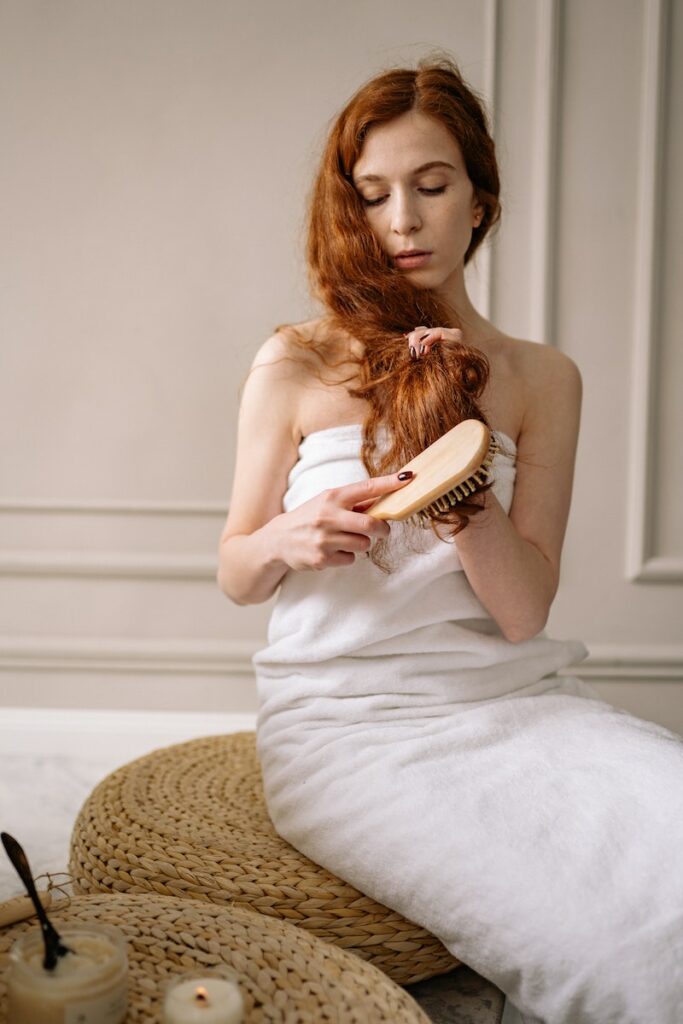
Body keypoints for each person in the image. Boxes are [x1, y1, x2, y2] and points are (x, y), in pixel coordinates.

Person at [217, 58, 683, 1024]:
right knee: (607, 952)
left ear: (480, 200)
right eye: (375, 195)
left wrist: (451, 472)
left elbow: (522, 612)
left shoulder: (539, 377)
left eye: (431, 187)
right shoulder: (296, 361)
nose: (402, 222)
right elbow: (234, 570)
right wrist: (286, 538)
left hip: (515, 704)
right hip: (350, 733)